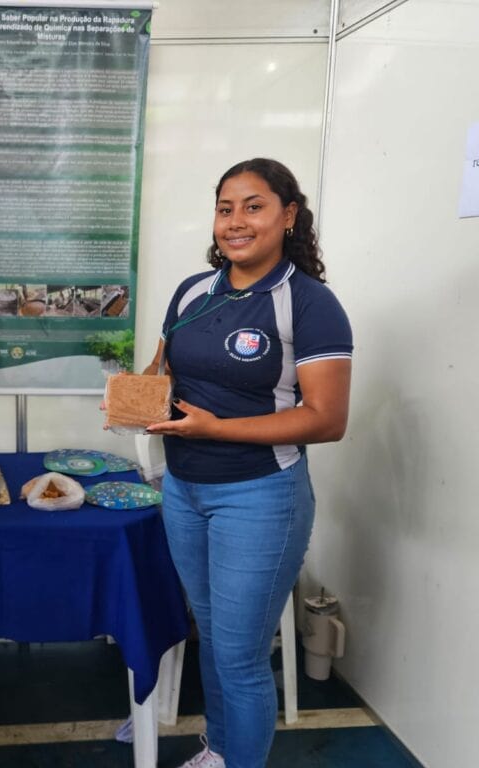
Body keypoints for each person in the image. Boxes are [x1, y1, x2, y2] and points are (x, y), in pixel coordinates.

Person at [143, 158, 352, 768]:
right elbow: (165, 371)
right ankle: (220, 750)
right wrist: (135, 396)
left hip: (260, 496)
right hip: (184, 489)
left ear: (288, 216)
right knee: (212, 640)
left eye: (253, 206)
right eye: (225, 208)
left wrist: (218, 428)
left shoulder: (309, 304)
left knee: (240, 658)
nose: (235, 222)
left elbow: (326, 419)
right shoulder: (192, 291)